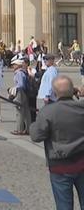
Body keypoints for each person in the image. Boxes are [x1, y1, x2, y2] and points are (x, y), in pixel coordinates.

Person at [30, 76, 84, 210]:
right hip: (82, 161)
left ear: (54, 93)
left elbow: (36, 136)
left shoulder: (48, 111)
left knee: (64, 205)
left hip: (60, 164)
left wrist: (33, 125)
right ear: (74, 90)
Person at [10, 56, 32, 136]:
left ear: (18, 65)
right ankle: (28, 129)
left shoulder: (19, 73)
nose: (13, 66)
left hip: (20, 93)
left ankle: (19, 129)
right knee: (26, 112)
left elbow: (21, 85)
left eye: (14, 64)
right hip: (24, 93)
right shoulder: (23, 72)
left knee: (19, 112)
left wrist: (13, 88)